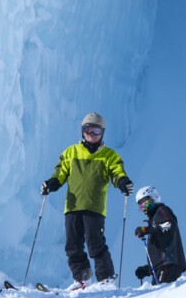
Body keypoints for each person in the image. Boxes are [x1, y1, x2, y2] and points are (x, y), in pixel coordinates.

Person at [40, 113, 134, 287]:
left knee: (95, 244)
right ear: (82, 131)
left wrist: (123, 182)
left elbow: (117, 172)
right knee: (72, 246)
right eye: (88, 129)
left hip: (94, 207)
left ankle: (106, 279)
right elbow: (60, 173)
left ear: (102, 133)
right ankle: (82, 278)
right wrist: (51, 183)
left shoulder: (109, 155)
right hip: (73, 207)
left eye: (96, 130)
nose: (92, 134)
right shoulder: (71, 152)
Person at [133, 185, 186, 285]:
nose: (142, 206)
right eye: (140, 204)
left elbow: (168, 228)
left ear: (152, 197)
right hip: (162, 267)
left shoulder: (162, 211)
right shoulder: (153, 219)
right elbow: (159, 251)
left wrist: (147, 230)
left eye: (143, 201)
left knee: (159, 295)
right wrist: (147, 270)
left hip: (168, 264)